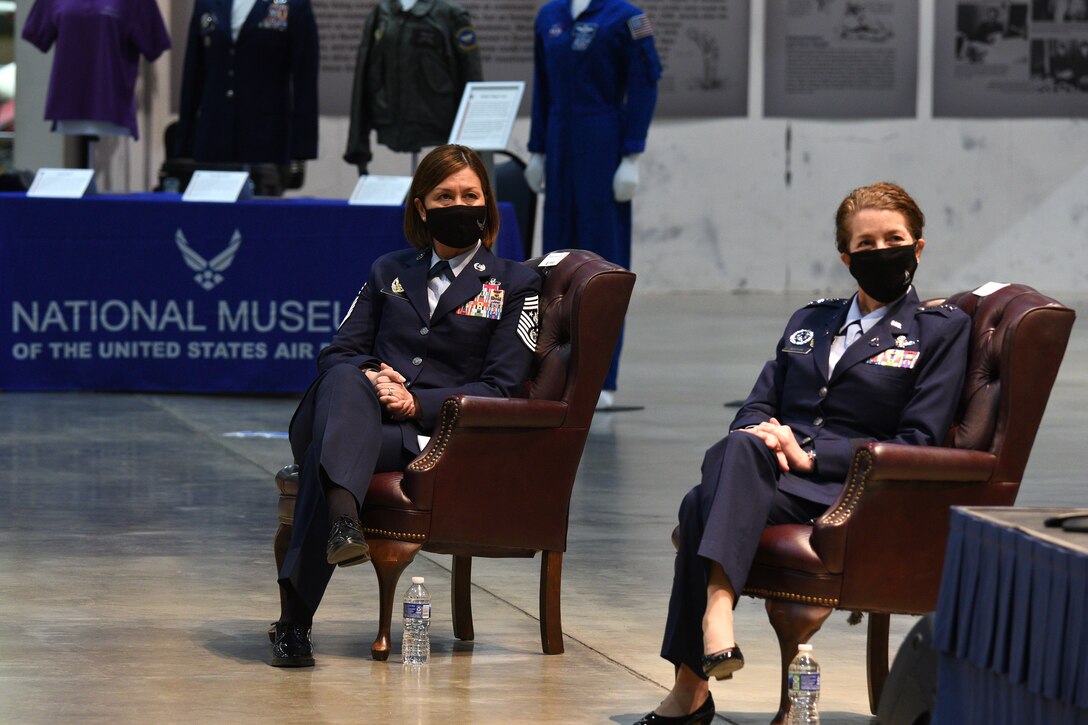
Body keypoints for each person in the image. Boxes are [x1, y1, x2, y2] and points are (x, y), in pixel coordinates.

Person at [636, 182, 971, 723]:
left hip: (853, 488)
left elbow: (920, 441)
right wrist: (772, 438)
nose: (881, 252)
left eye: (895, 239)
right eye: (866, 245)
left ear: (919, 247)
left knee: (700, 504)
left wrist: (812, 454)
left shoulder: (940, 331)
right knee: (741, 443)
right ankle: (711, 636)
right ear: (846, 258)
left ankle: (696, 673)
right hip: (773, 477)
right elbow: (754, 406)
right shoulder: (808, 321)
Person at [271, 144, 542, 667]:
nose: (460, 204)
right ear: (421, 207)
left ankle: (295, 624)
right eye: (445, 195)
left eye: (471, 194)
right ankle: (343, 523)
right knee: (347, 376)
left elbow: (503, 387)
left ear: (488, 204)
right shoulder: (387, 271)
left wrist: (417, 400)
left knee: (328, 462)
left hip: (421, 437)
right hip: (352, 416)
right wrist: (377, 376)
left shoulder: (515, 283)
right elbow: (337, 353)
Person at [524, 0, 662, 406]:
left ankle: (603, 376)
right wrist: (537, 150)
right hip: (558, 141)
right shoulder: (550, 16)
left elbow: (645, 82)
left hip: (602, 143)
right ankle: (552, 371)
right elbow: (542, 86)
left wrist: (631, 154)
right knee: (554, 267)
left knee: (603, 265)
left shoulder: (625, 17)